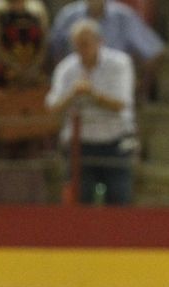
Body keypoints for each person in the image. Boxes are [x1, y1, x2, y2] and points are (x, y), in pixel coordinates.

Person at [46, 18, 135, 205]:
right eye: (76, 45)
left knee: (120, 198)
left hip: (115, 142)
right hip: (80, 145)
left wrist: (92, 94)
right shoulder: (66, 68)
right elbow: (52, 107)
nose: (81, 49)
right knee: (79, 200)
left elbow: (122, 103)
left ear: (99, 41)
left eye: (85, 44)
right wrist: (73, 94)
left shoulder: (119, 64)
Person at [47, 0, 162, 98]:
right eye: (81, 44)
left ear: (100, 42)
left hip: (114, 89)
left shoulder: (123, 16)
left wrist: (142, 91)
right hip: (74, 92)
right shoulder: (68, 16)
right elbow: (52, 49)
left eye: (86, 44)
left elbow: (152, 51)